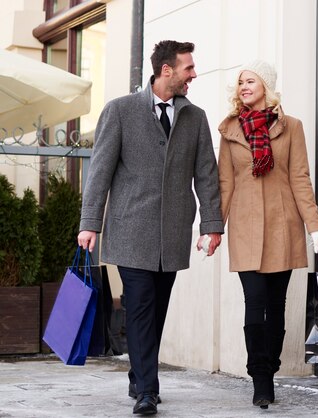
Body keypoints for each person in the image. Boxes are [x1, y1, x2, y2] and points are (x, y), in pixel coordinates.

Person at [77, 40, 223, 415]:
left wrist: (212, 224)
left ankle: (138, 375)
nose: (194, 74)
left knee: (156, 311)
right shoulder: (121, 111)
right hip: (130, 231)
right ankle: (147, 390)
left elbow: (207, 175)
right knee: (140, 307)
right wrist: (90, 223)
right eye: (188, 67)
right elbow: (100, 173)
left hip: (172, 234)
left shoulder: (195, 117)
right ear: (167, 71)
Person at [217, 60, 318, 409]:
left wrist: (316, 227)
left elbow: (300, 179)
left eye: (250, 80)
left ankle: (271, 364)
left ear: (266, 84)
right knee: (255, 306)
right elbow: (225, 184)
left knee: (277, 309)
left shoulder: (291, 127)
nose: (243, 87)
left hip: (283, 227)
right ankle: (259, 376)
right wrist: (212, 228)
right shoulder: (230, 130)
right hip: (246, 229)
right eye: (240, 83)